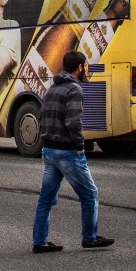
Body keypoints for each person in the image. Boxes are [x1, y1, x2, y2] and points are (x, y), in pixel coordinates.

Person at [33, 49, 114, 253]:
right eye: (84, 66)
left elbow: (42, 118)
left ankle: (40, 241)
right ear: (80, 68)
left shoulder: (52, 88)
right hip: (67, 151)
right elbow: (73, 121)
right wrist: (80, 143)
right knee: (89, 194)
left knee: (46, 199)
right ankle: (90, 237)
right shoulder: (74, 89)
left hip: (49, 150)